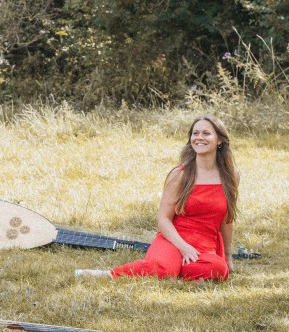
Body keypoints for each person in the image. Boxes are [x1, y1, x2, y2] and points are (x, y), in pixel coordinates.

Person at [75, 115, 239, 281]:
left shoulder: (230, 176)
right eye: (195, 133)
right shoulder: (180, 174)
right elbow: (163, 219)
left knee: (218, 269)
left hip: (205, 245)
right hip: (173, 239)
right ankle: (108, 274)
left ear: (220, 140)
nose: (199, 137)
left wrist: (227, 256)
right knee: (164, 270)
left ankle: (172, 267)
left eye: (206, 133)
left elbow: (227, 220)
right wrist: (183, 247)